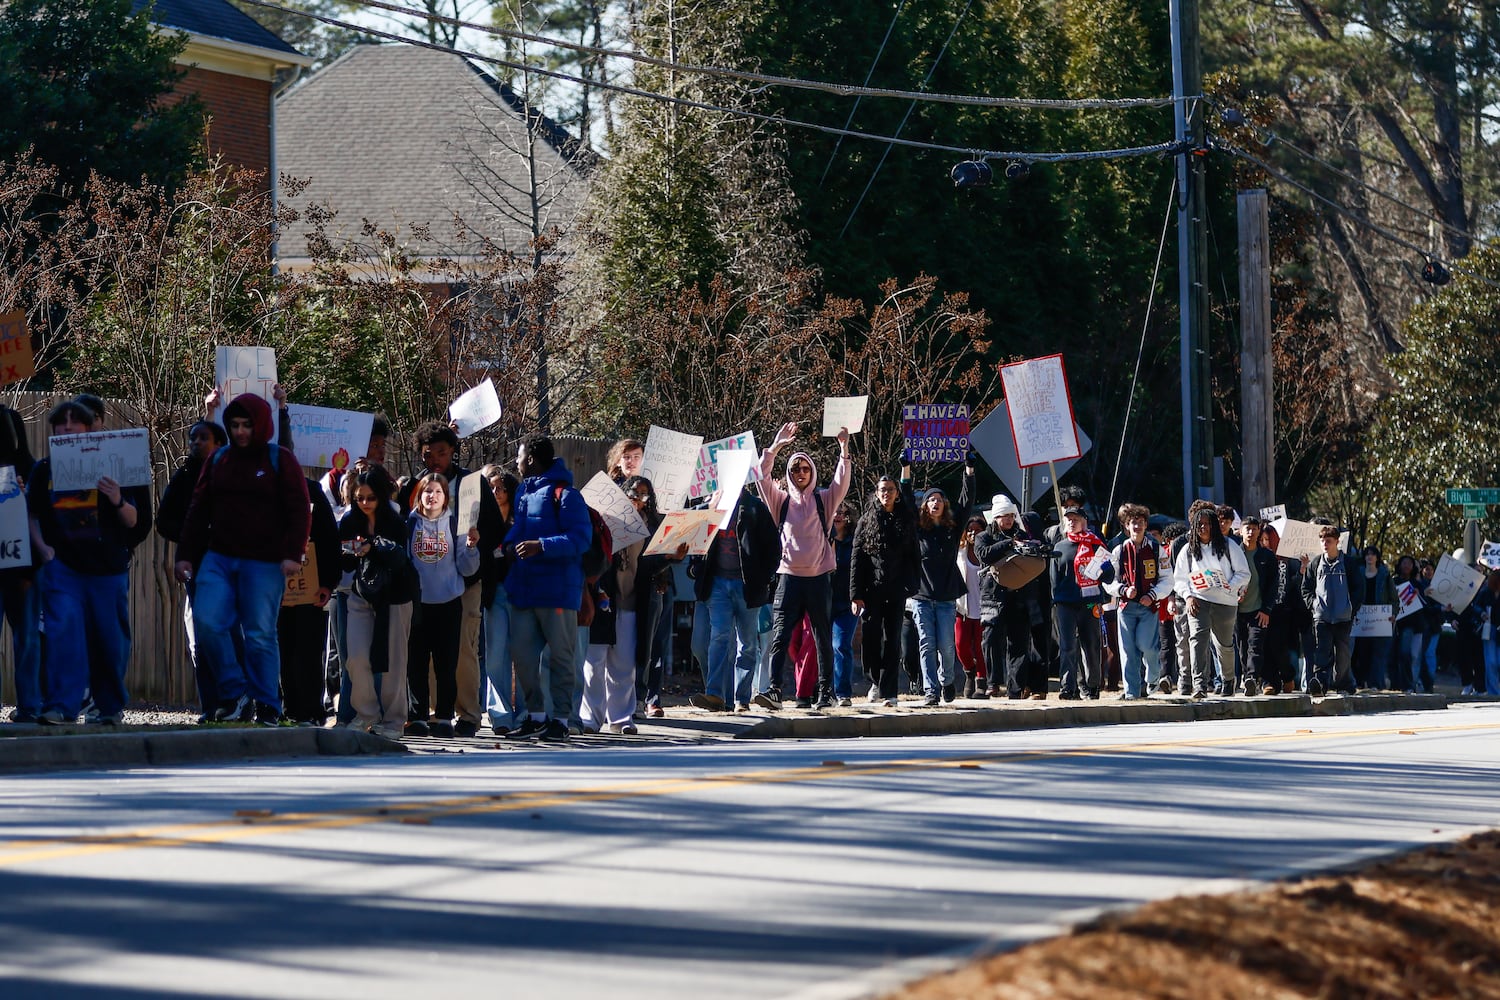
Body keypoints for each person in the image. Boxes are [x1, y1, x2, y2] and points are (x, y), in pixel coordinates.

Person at [175, 393, 310, 724]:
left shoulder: (281, 460)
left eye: (247, 425)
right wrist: (185, 556)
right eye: (234, 425)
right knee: (206, 622)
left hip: (264, 562)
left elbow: (298, 509)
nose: (240, 432)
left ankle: (267, 706)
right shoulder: (219, 460)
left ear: (261, 424)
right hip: (219, 557)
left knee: (260, 633)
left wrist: (293, 554)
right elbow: (197, 510)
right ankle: (236, 693)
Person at [28, 399, 153, 725]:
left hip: (107, 569)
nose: (67, 427)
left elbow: (133, 520)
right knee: (63, 635)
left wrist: (116, 498)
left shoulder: (115, 464)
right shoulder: (44, 469)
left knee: (109, 642)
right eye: (61, 422)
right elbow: (30, 512)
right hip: (63, 568)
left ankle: (109, 707)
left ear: (89, 427)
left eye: (75, 422)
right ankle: (62, 707)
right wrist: (43, 549)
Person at [397, 420, 502, 737]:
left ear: (453, 451)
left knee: (462, 650)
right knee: (424, 652)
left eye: (441, 453)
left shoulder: (473, 484)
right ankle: (432, 713)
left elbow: (495, 530)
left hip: (465, 581)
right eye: (428, 455)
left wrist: (471, 554)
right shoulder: (415, 488)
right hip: (424, 586)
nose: (434, 460)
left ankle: (468, 714)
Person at [752, 421, 852, 710]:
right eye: (795, 468)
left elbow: (841, 482)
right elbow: (761, 476)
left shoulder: (824, 501)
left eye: (805, 468)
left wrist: (844, 448)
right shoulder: (780, 501)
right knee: (780, 635)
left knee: (822, 636)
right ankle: (774, 691)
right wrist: (775, 447)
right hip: (788, 578)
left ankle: (825, 693)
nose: (800, 473)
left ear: (812, 473)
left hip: (819, 577)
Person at [504, 432, 591, 742]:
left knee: (561, 658)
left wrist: (542, 545)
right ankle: (536, 716)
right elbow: (517, 531)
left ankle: (562, 719)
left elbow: (581, 539)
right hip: (524, 589)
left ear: (530, 459)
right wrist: (506, 546)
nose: (515, 461)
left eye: (518, 455)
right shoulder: (523, 495)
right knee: (522, 657)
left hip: (558, 591)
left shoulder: (567, 496)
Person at [582, 475, 676, 734]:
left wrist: (670, 558)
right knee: (594, 662)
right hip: (603, 599)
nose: (638, 499)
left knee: (624, 664)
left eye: (645, 495)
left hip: (632, 602)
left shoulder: (651, 524)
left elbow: (649, 566)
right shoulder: (603, 520)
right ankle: (591, 718)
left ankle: (622, 718)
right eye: (634, 492)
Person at [157, 420, 229, 718]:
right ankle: (211, 705)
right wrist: (194, 535)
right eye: (193, 438)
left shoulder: (232, 475)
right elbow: (163, 521)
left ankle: (238, 702)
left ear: (219, 444)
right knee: (202, 638)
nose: (196, 443)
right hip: (197, 567)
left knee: (232, 637)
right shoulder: (185, 476)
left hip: (231, 565)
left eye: (204, 438)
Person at [688, 481, 780, 713]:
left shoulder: (755, 508)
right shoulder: (709, 508)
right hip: (717, 584)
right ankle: (715, 694)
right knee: (719, 637)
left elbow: (773, 548)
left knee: (747, 643)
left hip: (747, 586)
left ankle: (742, 698)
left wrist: (764, 578)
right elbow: (696, 546)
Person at [339, 466, 417, 735]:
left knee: (394, 662)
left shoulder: (395, 522)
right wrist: (350, 551)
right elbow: (340, 558)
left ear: (381, 497)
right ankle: (366, 714)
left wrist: (372, 547)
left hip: (395, 596)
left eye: (370, 497)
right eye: (359, 497)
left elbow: (399, 558)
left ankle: (394, 721)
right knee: (356, 657)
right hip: (362, 593)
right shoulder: (349, 521)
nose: (364, 503)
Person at [404, 472, 481, 736]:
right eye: (427, 491)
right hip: (418, 603)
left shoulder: (455, 524)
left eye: (437, 492)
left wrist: (471, 546)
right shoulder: (410, 523)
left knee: (446, 663)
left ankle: (445, 717)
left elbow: (467, 567)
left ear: (445, 496)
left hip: (448, 602)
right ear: (419, 495)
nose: (432, 496)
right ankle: (418, 716)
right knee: (416, 663)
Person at [902, 461, 973, 705]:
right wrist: (906, 470)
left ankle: (946, 680)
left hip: (946, 598)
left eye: (940, 500)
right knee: (926, 644)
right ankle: (930, 690)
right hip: (922, 597)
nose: (935, 503)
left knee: (946, 645)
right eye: (931, 499)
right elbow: (906, 500)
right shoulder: (918, 530)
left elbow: (967, 502)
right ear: (926, 505)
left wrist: (969, 471)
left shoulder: (952, 530)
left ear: (945, 505)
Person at [277, 468, 341, 725]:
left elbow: (329, 540)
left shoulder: (311, 490)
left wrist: (327, 583)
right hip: (270, 587)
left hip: (309, 587)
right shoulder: (255, 490)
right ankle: (285, 709)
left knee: (308, 649)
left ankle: (311, 711)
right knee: (279, 650)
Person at [850, 475, 919, 707]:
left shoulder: (905, 519)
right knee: (870, 638)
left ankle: (890, 691)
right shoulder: (866, 520)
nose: (886, 494)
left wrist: (912, 585)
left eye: (890, 489)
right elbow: (857, 559)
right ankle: (875, 681)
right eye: (882, 490)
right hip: (871, 590)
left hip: (897, 589)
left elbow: (913, 556)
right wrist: (855, 594)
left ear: (897, 493)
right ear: (877, 493)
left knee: (893, 639)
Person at [974, 494, 1051, 700]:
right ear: (995, 517)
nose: (1007, 520)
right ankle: (992, 683)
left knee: (1018, 643)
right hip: (993, 597)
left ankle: (1015, 690)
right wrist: (1010, 544)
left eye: (1010, 515)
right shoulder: (984, 536)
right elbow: (984, 554)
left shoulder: (1024, 535)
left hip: (1021, 596)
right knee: (990, 639)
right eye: (1003, 516)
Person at [1174, 506, 1250, 700]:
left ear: (1214, 526)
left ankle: (1228, 680)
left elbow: (1244, 573)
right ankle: (1199, 685)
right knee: (1198, 641)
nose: (1203, 528)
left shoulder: (1228, 545)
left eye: (1207, 524)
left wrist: (1229, 586)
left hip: (1225, 602)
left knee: (1224, 645)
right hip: (1198, 600)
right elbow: (1179, 579)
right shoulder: (1188, 550)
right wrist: (1188, 596)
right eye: (1199, 524)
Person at [0, 401, 39, 724]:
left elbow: (42, 517)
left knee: (26, 637)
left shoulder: (31, 471)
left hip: (21, 568)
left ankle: (30, 704)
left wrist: (25, 494)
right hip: (18, 567)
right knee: (26, 637)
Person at [1104, 503, 1167, 700]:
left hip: (1149, 607)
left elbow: (1167, 579)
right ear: (1126, 526)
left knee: (1147, 646)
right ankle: (1131, 692)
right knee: (1128, 650)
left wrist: (1153, 595)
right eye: (1132, 523)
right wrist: (1122, 589)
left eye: (1140, 523)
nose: (1137, 527)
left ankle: (1153, 675)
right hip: (1126, 607)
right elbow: (1108, 581)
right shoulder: (1118, 551)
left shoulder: (1157, 549)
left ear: (1146, 525)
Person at [1049, 505, 1112, 700]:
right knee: (1067, 646)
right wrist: (1055, 602)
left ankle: (1092, 686)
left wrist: (1100, 570)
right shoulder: (1059, 547)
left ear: (1084, 521)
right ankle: (1068, 687)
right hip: (1066, 604)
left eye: (1075, 519)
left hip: (1090, 603)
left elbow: (1110, 575)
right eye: (1068, 519)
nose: (1071, 522)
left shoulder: (1095, 544)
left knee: (1091, 645)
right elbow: (1053, 579)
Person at [1299, 525, 1363, 696]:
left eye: (1329, 541)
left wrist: (1352, 608)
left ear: (1337, 542)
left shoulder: (1348, 563)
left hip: (1343, 616)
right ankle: (1320, 684)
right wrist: (1313, 605)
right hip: (1322, 616)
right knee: (1321, 651)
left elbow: (1359, 588)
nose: (1325, 544)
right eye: (1322, 541)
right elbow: (1306, 587)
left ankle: (1343, 684)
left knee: (1342, 654)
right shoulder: (1316, 563)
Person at [480, 466, 520, 733]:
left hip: (521, 594)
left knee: (525, 656)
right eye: (491, 487)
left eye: (501, 487)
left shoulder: (522, 521)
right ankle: (501, 716)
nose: (496, 492)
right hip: (494, 594)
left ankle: (528, 712)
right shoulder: (482, 523)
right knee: (496, 657)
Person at [1235, 515, 1278, 696]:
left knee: (1255, 645)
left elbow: (1273, 585)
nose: (1251, 532)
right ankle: (1247, 678)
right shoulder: (1233, 553)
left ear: (1259, 531)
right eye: (1247, 528)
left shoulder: (1267, 556)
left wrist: (1266, 609)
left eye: (1254, 528)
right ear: (1241, 531)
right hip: (1236, 611)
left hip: (1258, 610)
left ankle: (1252, 678)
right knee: (1242, 647)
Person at [954, 513, 990, 699]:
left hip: (985, 608)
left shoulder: (988, 552)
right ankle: (969, 670)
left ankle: (981, 683)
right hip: (964, 608)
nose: (973, 533)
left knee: (981, 649)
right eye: (970, 530)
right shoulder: (959, 552)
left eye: (978, 530)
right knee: (961, 645)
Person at [1352, 545, 1397, 691]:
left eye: (1373, 554)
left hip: (1380, 621)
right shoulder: (1358, 573)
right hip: (1362, 620)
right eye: (1367, 554)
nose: (1370, 557)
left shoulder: (1384, 575)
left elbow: (1394, 598)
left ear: (1377, 558)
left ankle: (1376, 684)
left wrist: (1393, 613)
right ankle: (1361, 682)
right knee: (1362, 653)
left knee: (1378, 654)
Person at [829, 502, 858, 705]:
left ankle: (843, 693)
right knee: (819, 648)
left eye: (842, 512)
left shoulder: (855, 542)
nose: (838, 515)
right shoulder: (821, 539)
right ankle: (822, 691)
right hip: (822, 601)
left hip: (847, 604)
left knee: (841, 645)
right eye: (834, 511)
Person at [1391, 555, 1425, 694]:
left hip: (1410, 625)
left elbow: (1424, 605)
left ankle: (1408, 685)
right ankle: (1395, 684)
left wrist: (1418, 594)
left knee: (1406, 653)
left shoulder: (1417, 584)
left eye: (1409, 564)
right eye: (1404, 563)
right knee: (1393, 655)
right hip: (1394, 623)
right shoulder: (1393, 581)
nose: (1406, 566)